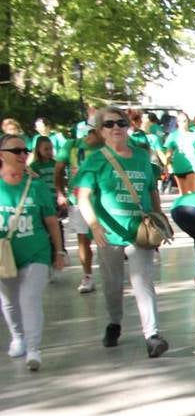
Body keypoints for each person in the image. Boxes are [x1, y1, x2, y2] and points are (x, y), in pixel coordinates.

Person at [72, 106, 169, 357]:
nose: (116, 127)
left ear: (128, 127)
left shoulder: (141, 157)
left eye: (121, 123)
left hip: (139, 231)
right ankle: (114, 322)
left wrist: (159, 220)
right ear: (101, 131)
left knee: (143, 281)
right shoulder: (95, 160)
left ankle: (152, 335)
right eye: (109, 124)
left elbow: (151, 190)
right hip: (109, 233)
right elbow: (84, 196)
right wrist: (94, 225)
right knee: (113, 284)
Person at [1, 134, 64, 370]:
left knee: (30, 299)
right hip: (4, 256)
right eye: (15, 150)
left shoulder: (36, 186)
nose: (21, 155)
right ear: (1, 155)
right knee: (8, 301)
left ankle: (34, 349)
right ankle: (18, 337)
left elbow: (50, 221)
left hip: (36, 252)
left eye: (24, 150)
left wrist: (58, 252)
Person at [55, 123, 99, 294]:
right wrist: (60, 193)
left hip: (104, 199)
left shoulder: (108, 145)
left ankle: (113, 272)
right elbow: (58, 170)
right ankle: (87, 275)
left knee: (109, 239)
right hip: (78, 199)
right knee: (83, 238)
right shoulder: (71, 146)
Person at [165, 111, 195, 196]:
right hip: (178, 167)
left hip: (192, 167)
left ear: (188, 121)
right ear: (177, 122)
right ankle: (184, 209)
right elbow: (168, 153)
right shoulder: (173, 135)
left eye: (184, 121)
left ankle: (194, 208)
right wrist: (167, 166)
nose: (182, 123)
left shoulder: (194, 134)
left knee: (192, 192)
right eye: (180, 121)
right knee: (183, 194)